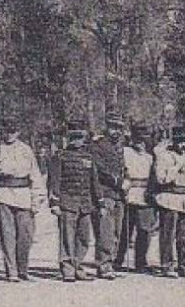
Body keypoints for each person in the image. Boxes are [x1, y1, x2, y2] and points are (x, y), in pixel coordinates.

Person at [0, 122, 36, 282]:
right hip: (3, 194)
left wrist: (37, 197)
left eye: (13, 131)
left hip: (23, 195)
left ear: (18, 132)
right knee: (7, 235)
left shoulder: (26, 150)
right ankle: (11, 271)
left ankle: (23, 269)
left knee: (25, 235)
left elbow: (34, 173)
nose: (10, 134)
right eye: (7, 131)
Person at [48, 125, 99, 283]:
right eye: (74, 138)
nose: (77, 142)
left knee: (84, 237)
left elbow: (94, 181)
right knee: (67, 237)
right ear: (69, 139)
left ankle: (77, 264)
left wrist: (100, 201)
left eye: (80, 138)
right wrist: (54, 203)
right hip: (67, 201)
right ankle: (67, 268)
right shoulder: (60, 156)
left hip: (85, 202)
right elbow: (54, 181)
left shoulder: (88, 157)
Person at [152, 127, 185, 279]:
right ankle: (167, 265)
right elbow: (161, 179)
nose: (183, 145)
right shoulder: (164, 157)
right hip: (169, 196)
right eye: (180, 142)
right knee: (168, 234)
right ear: (174, 142)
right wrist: (177, 165)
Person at [90, 116, 126, 281]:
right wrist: (119, 182)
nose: (116, 131)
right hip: (105, 193)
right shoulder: (98, 146)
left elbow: (123, 168)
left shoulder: (119, 147)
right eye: (113, 127)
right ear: (106, 127)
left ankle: (110, 262)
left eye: (119, 128)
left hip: (119, 195)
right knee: (106, 232)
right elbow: (100, 170)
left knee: (117, 231)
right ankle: (104, 265)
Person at [119, 125, 157, 274]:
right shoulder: (125, 152)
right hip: (129, 192)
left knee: (144, 230)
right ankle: (118, 259)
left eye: (143, 140)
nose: (141, 143)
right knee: (124, 229)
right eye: (138, 140)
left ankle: (140, 262)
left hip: (145, 195)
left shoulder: (150, 156)